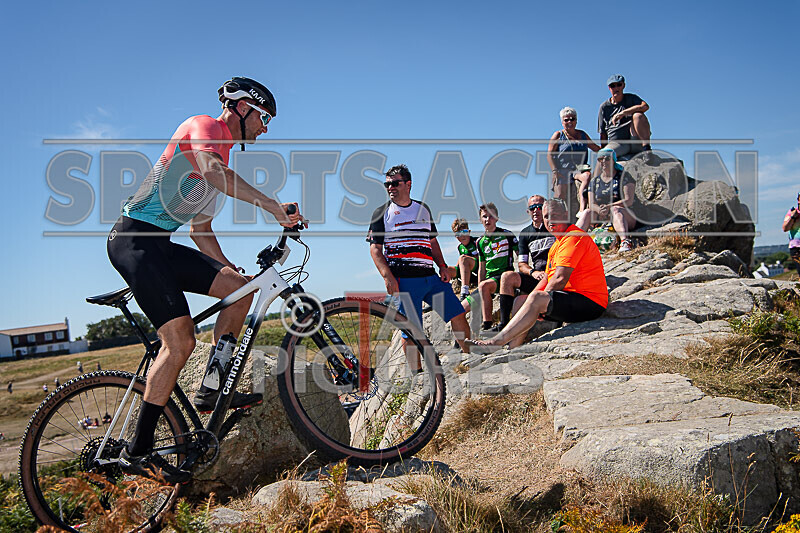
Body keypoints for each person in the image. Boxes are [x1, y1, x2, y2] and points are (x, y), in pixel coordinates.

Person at [107, 77, 302, 483]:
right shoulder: (204, 127)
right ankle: (137, 449)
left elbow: (201, 230)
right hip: (134, 240)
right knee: (180, 341)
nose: (265, 129)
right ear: (243, 108)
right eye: (264, 118)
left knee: (239, 293)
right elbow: (212, 172)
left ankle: (212, 388)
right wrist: (269, 205)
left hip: (161, 244)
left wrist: (233, 273)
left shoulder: (223, 154)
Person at [469, 199, 608, 350]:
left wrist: (540, 302)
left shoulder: (573, 237)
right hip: (569, 298)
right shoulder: (556, 244)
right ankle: (512, 348)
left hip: (591, 303)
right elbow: (547, 278)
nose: (550, 220)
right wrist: (532, 302)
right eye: (547, 216)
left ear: (566, 215)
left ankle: (496, 341)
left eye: (555, 215)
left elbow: (560, 279)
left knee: (536, 298)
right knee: (521, 301)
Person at [368, 164, 471, 353]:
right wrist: (387, 277)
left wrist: (442, 266)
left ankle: (470, 359)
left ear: (408, 184)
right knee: (412, 331)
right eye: (387, 184)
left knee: (458, 314)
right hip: (404, 281)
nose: (390, 188)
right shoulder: (381, 213)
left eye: (395, 183)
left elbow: (432, 242)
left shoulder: (423, 209)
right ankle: (417, 377)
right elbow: (375, 249)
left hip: (431, 278)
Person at [495, 195, 555, 331]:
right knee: (507, 277)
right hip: (536, 276)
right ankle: (503, 324)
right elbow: (522, 264)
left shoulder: (553, 227)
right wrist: (533, 272)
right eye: (532, 208)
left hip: (554, 276)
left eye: (539, 207)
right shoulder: (525, 234)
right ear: (528, 211)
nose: (536, 210)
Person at [461, 203, 518, 331]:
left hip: (504, 278)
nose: (488, 220)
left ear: (497, 218)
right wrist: (480, 287)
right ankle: (461, 344)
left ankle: (487, 327)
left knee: (484, 286)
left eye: (491, 216)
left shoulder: (507, 234)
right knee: (460, 310)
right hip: (487, 282)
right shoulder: (480, 242)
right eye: (485, 217)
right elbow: (482, 267)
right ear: (480, 220)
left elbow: (520, 255)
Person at [576, 148, 638, 252]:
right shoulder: (594, 181)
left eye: (607, 158)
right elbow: (591, 204)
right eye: (600, 159)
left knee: (615, 210)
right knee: (587, 212)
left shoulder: (624, 177)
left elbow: (628, 200)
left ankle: (625, 241)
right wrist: (599, 210)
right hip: (602, 216)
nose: (604, 161)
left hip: (625, 215)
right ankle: (571, 241)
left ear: (613, 160)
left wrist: (609, 207)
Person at [547, 107, 600, 212]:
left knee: (587, 176)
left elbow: (595, 148)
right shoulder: (558, 135)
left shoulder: (583, 135)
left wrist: (608, 151)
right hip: (563, 170)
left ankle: (582, 210)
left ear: (576, 120)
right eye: (566, 120)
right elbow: (549, 155)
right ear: (562, 122)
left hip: (579, 169)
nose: (569, 122)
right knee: (560, 196)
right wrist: (554, 171)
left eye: (572, 119)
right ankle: (556, 219)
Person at [598, 74, 651, 157]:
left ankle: (647, 150)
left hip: (634, 140)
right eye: (613, 86)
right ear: (609, 88)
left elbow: (645, 106)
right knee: (604, 154)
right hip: (618, 144)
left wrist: (623, 113)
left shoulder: (631, 98)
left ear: (623, 85)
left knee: (638, 115)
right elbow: (602, 133)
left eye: (619, 85)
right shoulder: (604, 107)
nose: (616, 88)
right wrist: (603, 151)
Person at [449, 219, 479, 300]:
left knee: (463, 258)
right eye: (458, 234)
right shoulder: (460, 247)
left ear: (469, 231)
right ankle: (444, 293)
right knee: (446, 269)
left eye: (464, 232)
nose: (462, 236)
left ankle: (465, 291)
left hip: (479, 270)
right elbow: (461, 262)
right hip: (468, 273)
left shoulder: (476, 242)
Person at [783, 192, 800, 277]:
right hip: (796, 247)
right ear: (798, 200)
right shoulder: (792, 212)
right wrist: (793, 217)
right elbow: (785, 228)